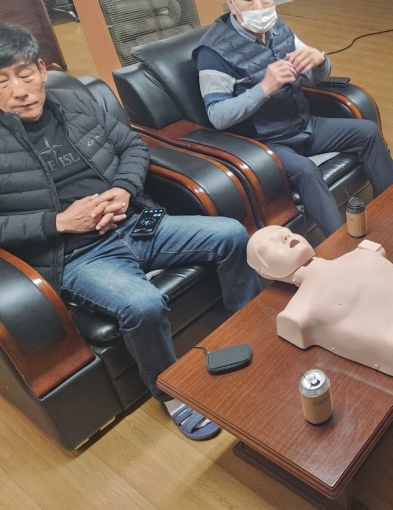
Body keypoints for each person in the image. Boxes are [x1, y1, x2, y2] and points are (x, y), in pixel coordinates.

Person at [0, 24, 262, 441]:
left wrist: (123, 190)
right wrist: (59, 222)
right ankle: (171, 394)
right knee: (143, 304)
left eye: (25, 74)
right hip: (76, 254)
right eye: (2, 82)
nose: (19, 91)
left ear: (42, 70)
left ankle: (247, 329)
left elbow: (133, 146)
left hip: (136, 222)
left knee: (230, 234)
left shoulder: (74, 102)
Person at [195, 0, 393, 239]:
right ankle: (342, 246)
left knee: (368, 132)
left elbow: (314, 78)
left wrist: (321, 61)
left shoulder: (278, 28)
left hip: (303, 125)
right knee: (306, 170)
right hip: (266, 143)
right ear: (231, 2)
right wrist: (264, 88)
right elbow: (217, 115)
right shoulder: (212, 52)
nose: (260, 6)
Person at [246, 225, 393, 377]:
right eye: (271, 243)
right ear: (264, 272)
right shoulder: (296, 313)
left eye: (288, 232)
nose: (285, 236)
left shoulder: (363, 251)